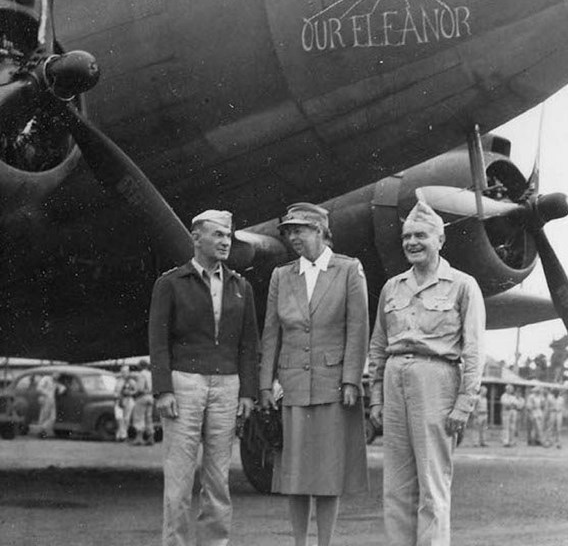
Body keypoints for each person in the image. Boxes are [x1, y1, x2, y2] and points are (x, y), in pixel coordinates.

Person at [368, 198, 485, 546]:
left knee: (433, 487)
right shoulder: (393, 287)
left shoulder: (463, 285)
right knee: (397, 487)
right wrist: (375, 397)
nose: (412, 243)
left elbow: (474, 350)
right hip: (394, 381)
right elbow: (378, 346)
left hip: (437, 381)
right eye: (406, 237)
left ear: (440, 240)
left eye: (420, 235)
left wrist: (464, 405)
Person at [260, 202, 369, 546]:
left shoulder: (349, 270)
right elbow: (271, 332)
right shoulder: (281, 275)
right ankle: (298, 543)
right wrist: (265, 384)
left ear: (320, 230)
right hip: (291, 387)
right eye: (289, 231)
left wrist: (351, 379)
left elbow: (358, 327)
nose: (293, 237)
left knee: (327, 475)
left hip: (332, 385)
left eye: (300, 229)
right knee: (294, 476)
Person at [149, 209, 259, 546]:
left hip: (227, 386)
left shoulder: (241, 286)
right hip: (185, 384)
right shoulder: (170, 283)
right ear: (196, 238)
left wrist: (247, 392)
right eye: (217, 235)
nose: (225, 242)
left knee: (218, 479)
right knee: (179, 480)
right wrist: (163, 390)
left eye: (228, 235)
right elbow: (158, 340)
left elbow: (248, 344)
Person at [131, 359, 155, 446]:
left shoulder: (141, 375)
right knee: (148, 418)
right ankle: (151, 437)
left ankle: (139, 438)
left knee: (139, 417)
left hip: (142, 397)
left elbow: (140, 388)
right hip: (150, 396)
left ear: (140, 366)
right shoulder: (150, 374)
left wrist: (133, 393)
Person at [36, 372, 65, 439]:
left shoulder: (55, 382)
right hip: (45, 399)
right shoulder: (46, 379)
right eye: (56, 374)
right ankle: (41, 432)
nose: (57, 376)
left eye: (58, 375)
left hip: (51, 400)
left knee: (52, 417)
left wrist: (61, 390)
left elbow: (61, 388)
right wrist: (46, 393)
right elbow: (39, 388)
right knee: (44, 416)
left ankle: (42, 429)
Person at [114, 365, 137, 442]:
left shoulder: (132, 381)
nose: (124, 373)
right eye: (122, 372)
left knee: (127, 418)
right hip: (119, 400)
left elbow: (135, 391)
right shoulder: (118, 381)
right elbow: (115, 391)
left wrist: (129, 392)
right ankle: (121, 434)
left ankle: (123, 435)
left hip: (128, 400)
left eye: (125, 372)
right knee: (119, 417)